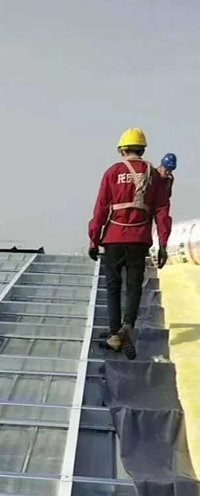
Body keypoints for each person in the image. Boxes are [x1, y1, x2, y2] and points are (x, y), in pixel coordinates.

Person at [88, 128, 172, 359]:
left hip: (113, 238)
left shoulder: (112, 172)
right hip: (139, 238)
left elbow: (100, 209)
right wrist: (163, 244)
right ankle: (128, 326)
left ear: (122, 150)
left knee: (113, 288)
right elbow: (162, 211)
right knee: (134, 287)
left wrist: (94, 239)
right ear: (142, 150)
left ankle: (114, 334)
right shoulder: (154, 175)